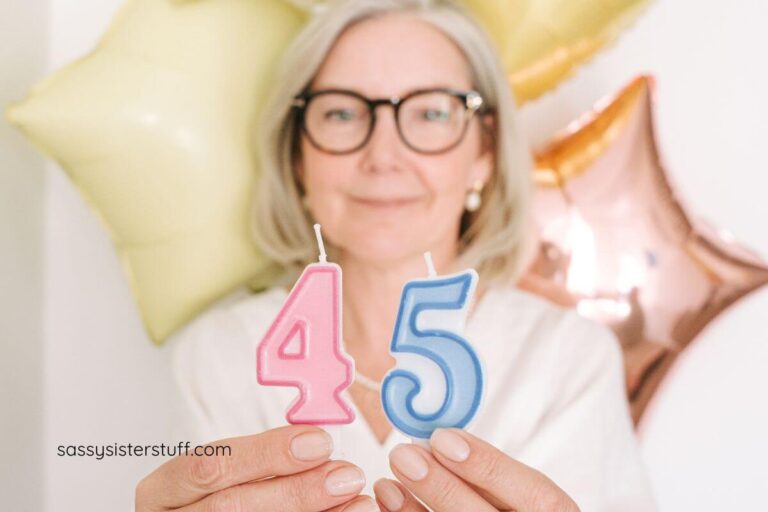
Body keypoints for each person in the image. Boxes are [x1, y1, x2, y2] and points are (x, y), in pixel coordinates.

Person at [135, 0, 658, 510]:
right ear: (297, 157)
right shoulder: (220, 359)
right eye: (341, 112)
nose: (383, 156)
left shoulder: (566, 361)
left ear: (483, 154)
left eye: (431, 112)